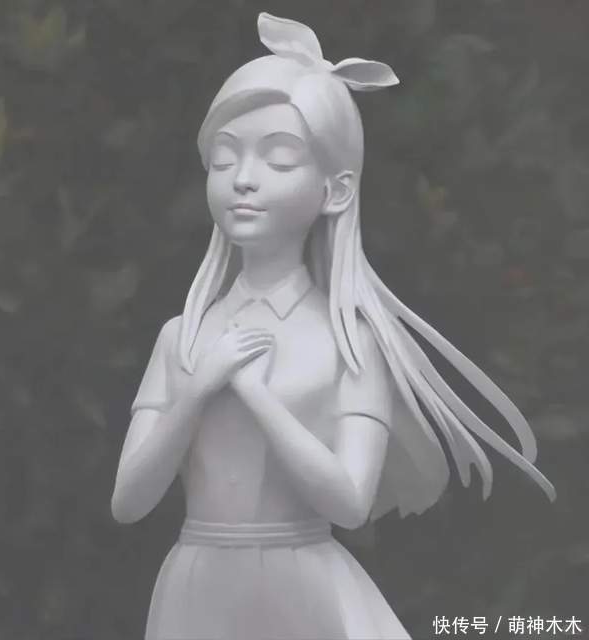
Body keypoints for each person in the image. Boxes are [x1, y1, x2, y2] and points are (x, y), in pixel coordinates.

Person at [111, 13, 556, 640]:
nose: (243, 179)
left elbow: (348, 503)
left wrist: (254, 394)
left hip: (302, 588)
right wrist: (196, 390)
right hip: (197, 588)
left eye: (278, 158)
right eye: (224, 158)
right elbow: (128, 502)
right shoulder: (180, 338)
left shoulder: (350, 343)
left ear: (336, 190)